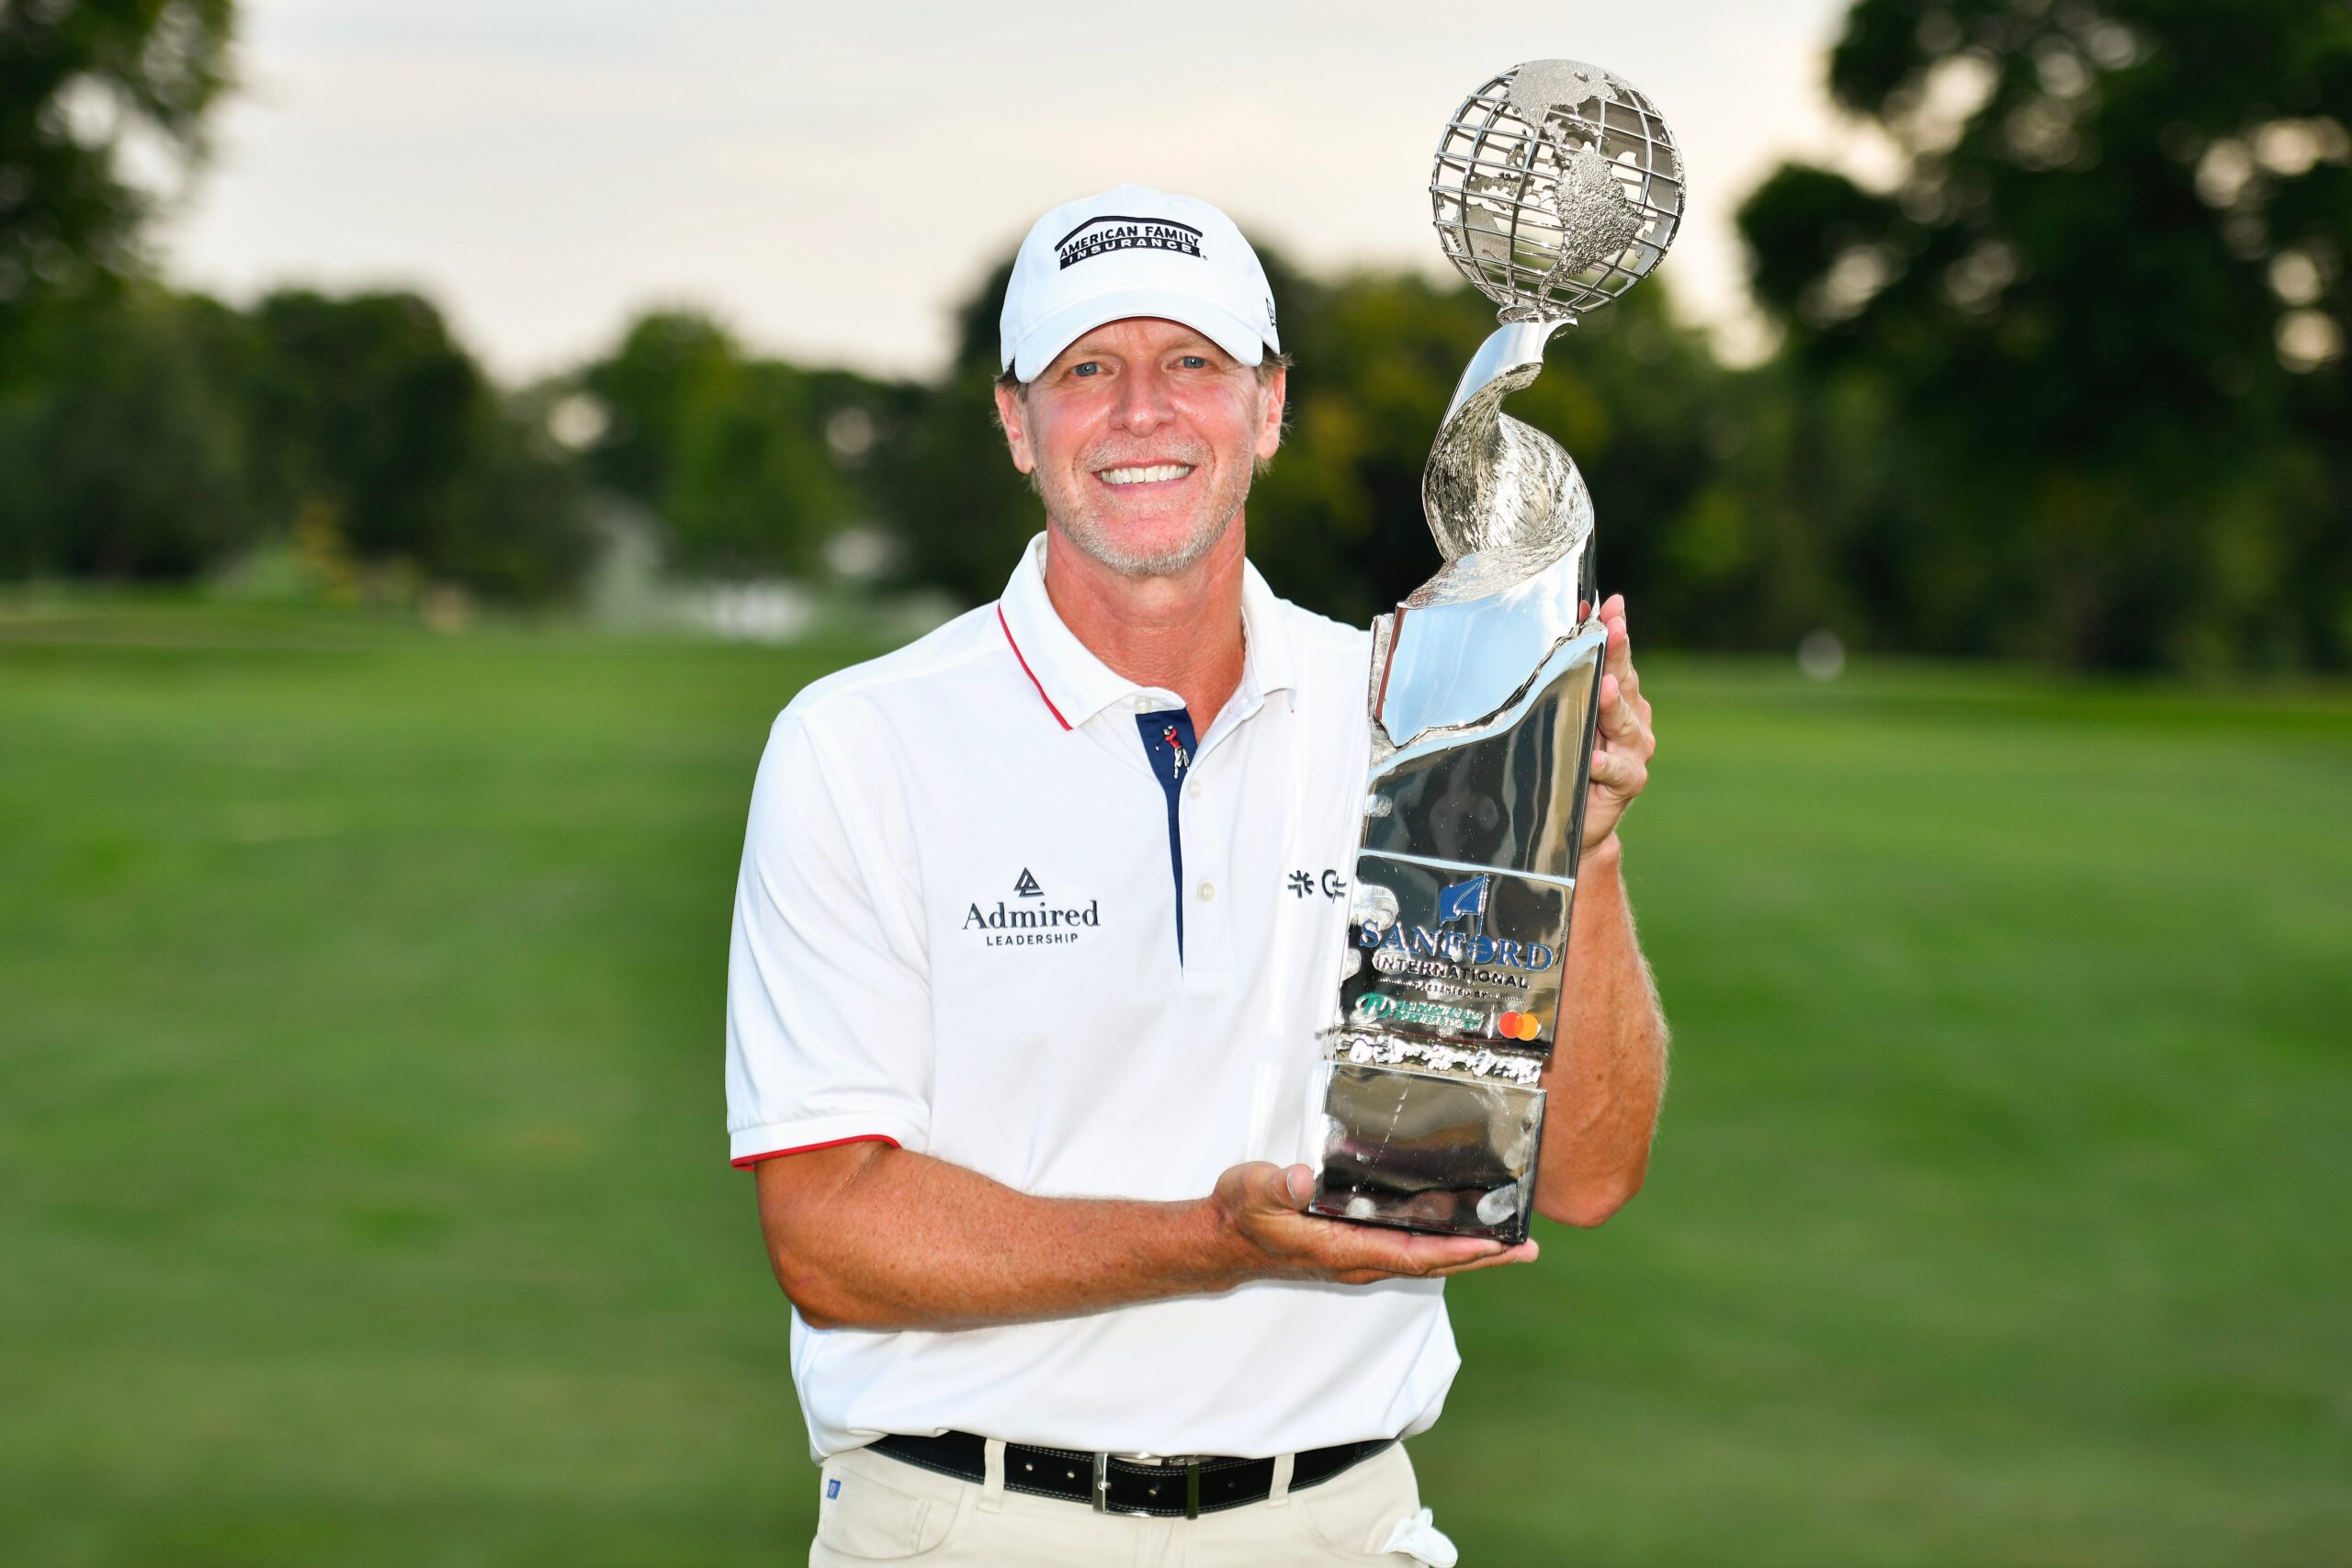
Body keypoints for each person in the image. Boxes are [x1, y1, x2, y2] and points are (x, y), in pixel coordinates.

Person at [725, 184, 1668, 1567]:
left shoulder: (1422, 710)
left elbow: (1578, 1175)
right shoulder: (860, 744)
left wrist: (1580, 843)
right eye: (1086, 369)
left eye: (1194, 364)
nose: (1142, 412)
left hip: (1343, 1526)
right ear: (1016, 421)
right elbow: (832, 1235)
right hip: (972, 1527)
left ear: (1269, 405)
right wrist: (1217, 1241)